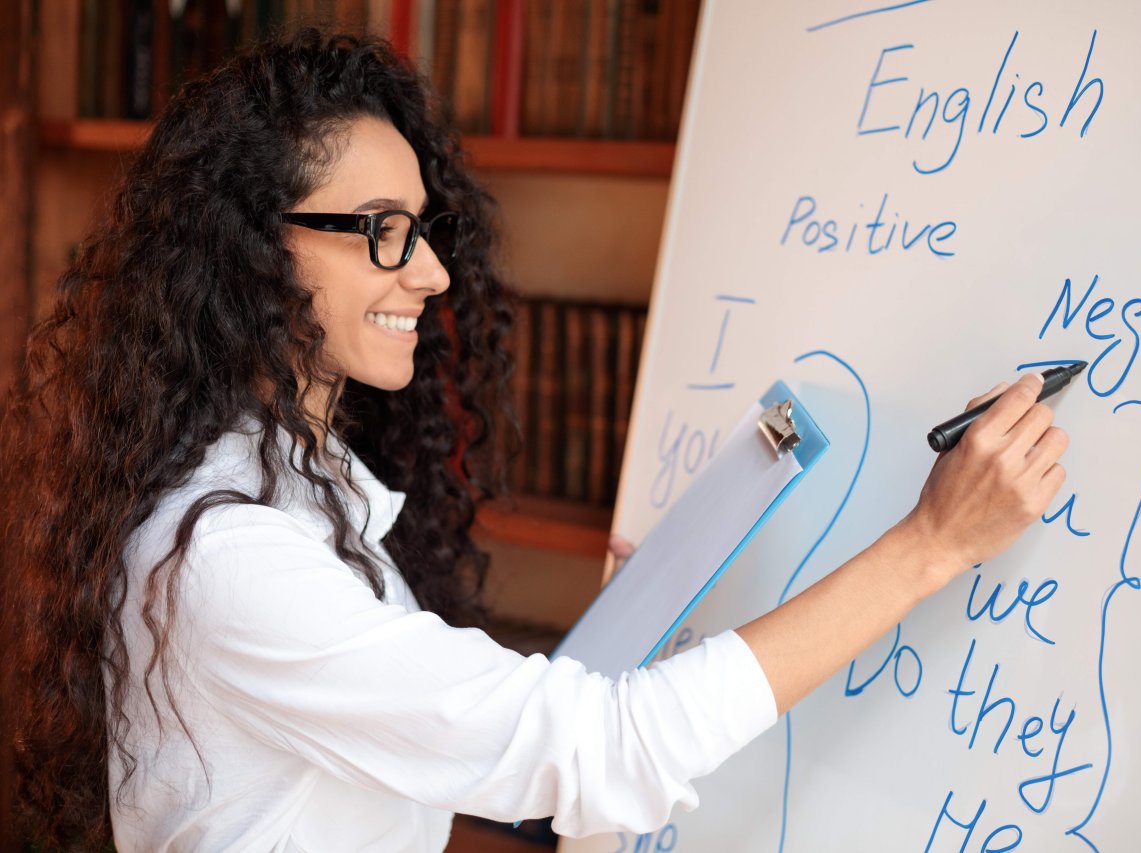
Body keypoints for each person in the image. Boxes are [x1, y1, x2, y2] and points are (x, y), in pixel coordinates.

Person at [0, 28, 1068, 853]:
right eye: (382, 231)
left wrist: (627, 637)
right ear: (248, 246)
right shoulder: (236, 557)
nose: (429, 273)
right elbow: (598, 752)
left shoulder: (294, 486)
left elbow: (493, 747)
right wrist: (931, 543)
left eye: (421, 229)